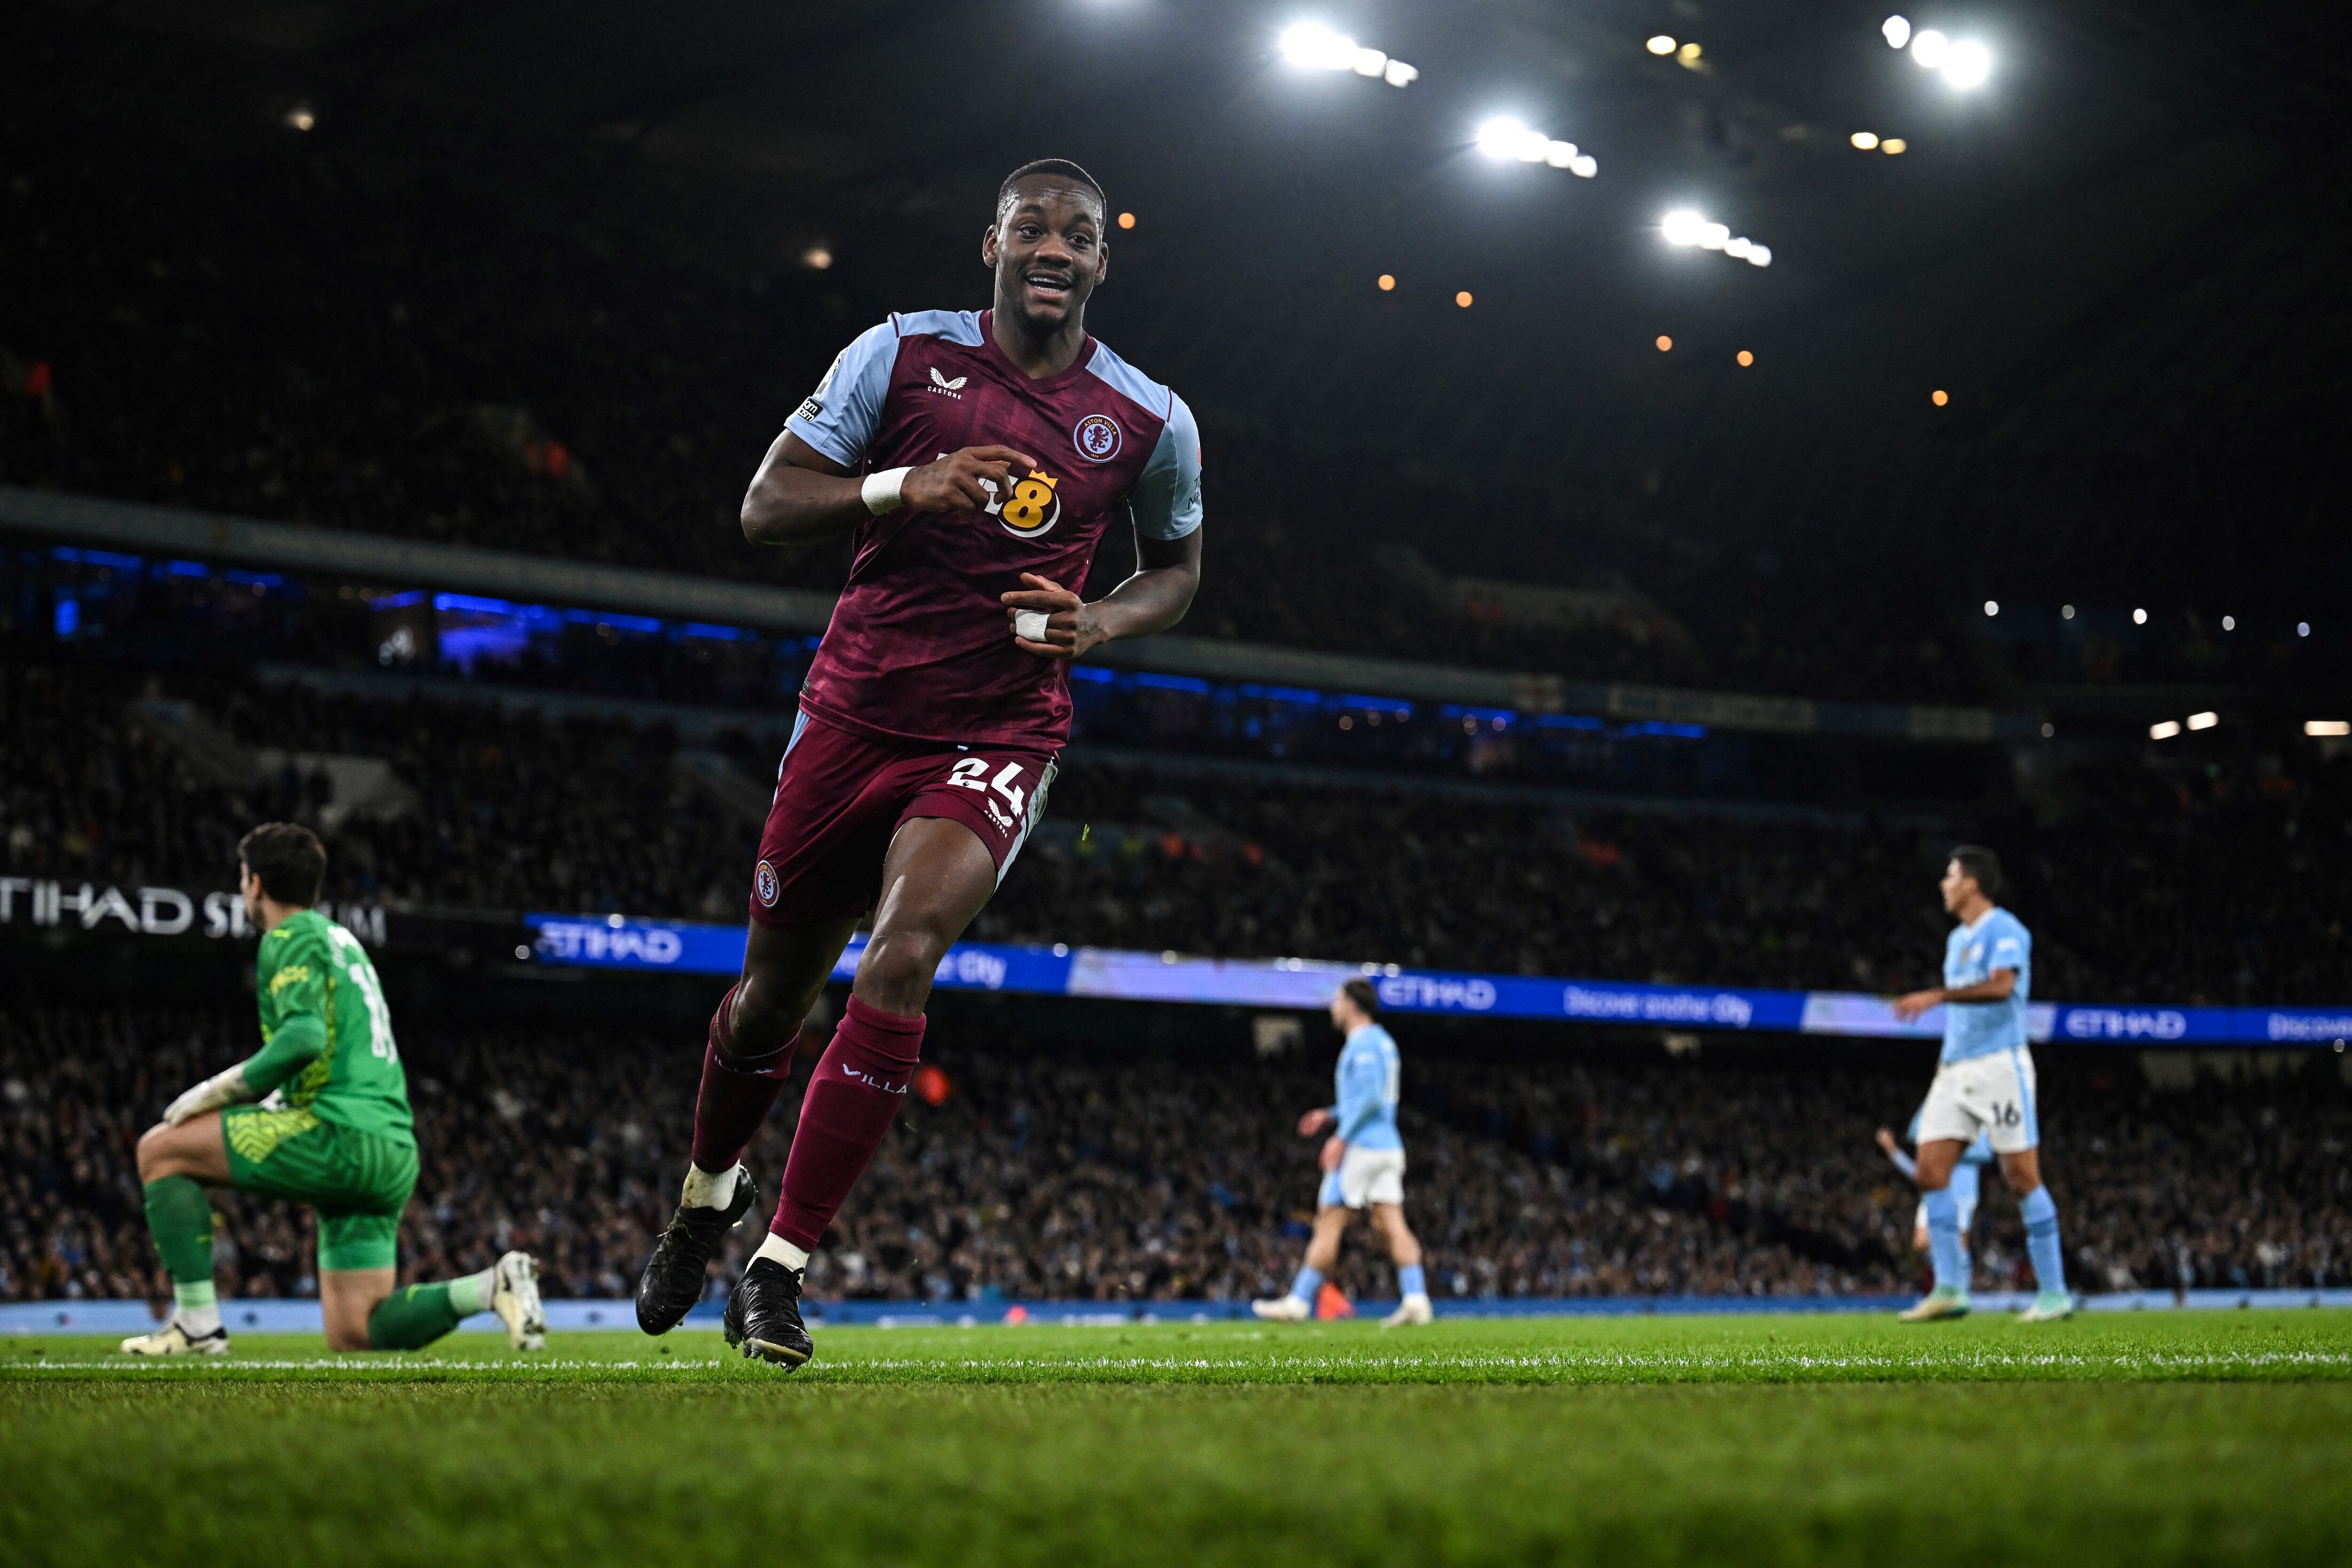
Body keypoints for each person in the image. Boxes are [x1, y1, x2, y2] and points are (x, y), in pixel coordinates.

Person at [634, 158, 1204, 1369]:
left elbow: (1178, 572)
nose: (1056, 248)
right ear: (990, 242)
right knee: (769, 1001)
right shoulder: (895, 357)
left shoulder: (1150, 417)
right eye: (1034, 227)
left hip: (997, 731)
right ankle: (703, 1198)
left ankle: (777, 1269)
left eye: (1082, 235)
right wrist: (907, 485)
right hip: (851, 716)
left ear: (1105, 261)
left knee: (898, 960)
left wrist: (1098, 621)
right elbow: (764, 505)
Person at [121, 824, 545, 1354]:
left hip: (340, 1136)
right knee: (356, 1333)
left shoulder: (289, 936)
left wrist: (215, 1090)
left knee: (160, 1151)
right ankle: (489, 1287)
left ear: (254, 884)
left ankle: (196, 1324)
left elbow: (302, 1037)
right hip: (391, 1149)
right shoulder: (342, 942)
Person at [1891, 845, 2073, 1323]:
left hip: (1999, 1066)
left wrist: (1936, 995)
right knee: (1930, 1171)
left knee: (2020, 1178)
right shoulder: (1955, 941)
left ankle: (2053, 1294)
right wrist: (1942, 1064)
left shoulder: (2006, 930)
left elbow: (2001, 987)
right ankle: (1950, 1288)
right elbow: (1961, 1017)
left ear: (1971, 883)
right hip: (1955, 1069)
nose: (1942, 884)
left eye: (1949, 875)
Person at [1253, 980, 1433, 1328]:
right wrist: (1332, 1113)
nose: (1333, 1007)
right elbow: (1373, 1097)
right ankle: (1416, 1298)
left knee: (1329, 1220)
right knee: (1391, 1222)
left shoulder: (1363, 1043)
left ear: (1352, 1005)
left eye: (1337, 1000)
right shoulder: (1383, 1041)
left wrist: (1341, 1136)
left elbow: (1370, 1099)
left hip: (1363, 1146)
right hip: (1388, 1145)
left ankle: (1299, 1301)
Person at [1875, 1112, 1992, 1270]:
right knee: (1922, 1242)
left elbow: (1984, 1152)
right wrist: (1893, 1151)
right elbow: (1915, 1133)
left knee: (1958, 1243)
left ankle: (1960, 1285)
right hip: (1934, 1194)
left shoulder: (1973, 1118)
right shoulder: (1937, 1108)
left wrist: (1950, 1147)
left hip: (1961, 1192)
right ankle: (1950, 1279)